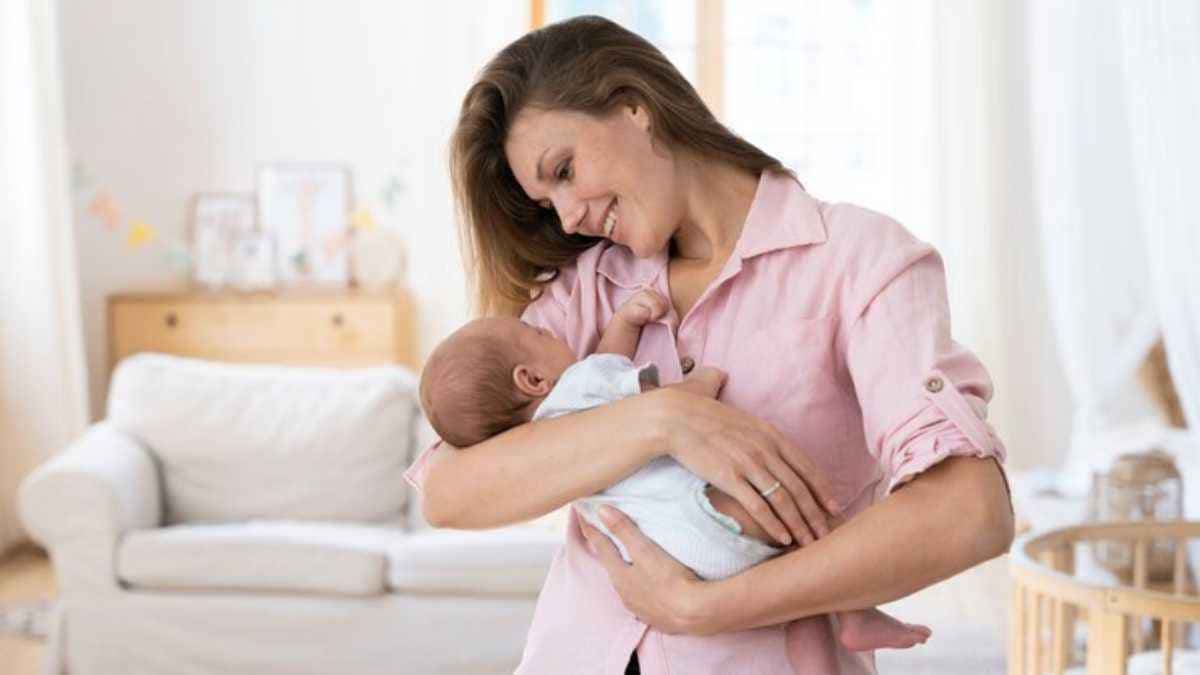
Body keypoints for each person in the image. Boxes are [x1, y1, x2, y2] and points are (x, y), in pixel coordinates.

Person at [406, 14, 1014, 675]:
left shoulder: (859, 261)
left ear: (633, 105)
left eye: (564, 169)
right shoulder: (589, 287)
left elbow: (971, 510)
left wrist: (706, 607)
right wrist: (663, 419)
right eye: (547, 202)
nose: (569, 215)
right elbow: (449, 490)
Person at [418, 288, 931, 659]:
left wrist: (625, 321)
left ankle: (846, 623)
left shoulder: (547, 431)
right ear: (530, 377)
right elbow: (662, 403)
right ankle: (855, 612)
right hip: (703, 519)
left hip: (663, 548)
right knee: (810, 519)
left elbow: (604, 365)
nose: (544, 327)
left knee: (798, 586)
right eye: (534, 332)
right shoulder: (580, 389)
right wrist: (704, 383)